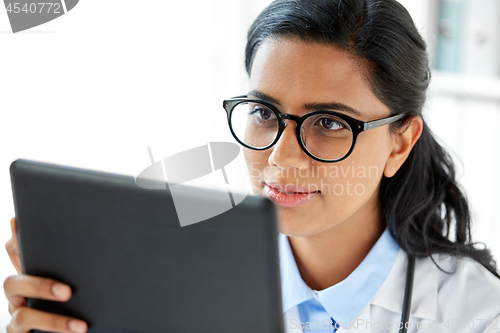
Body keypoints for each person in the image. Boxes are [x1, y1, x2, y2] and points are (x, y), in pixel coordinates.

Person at [4, 0, 500, 332]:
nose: (281, 159)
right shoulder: (175, 279)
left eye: (328, 123)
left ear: (399, 143)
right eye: (265, 113)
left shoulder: (476, 315)